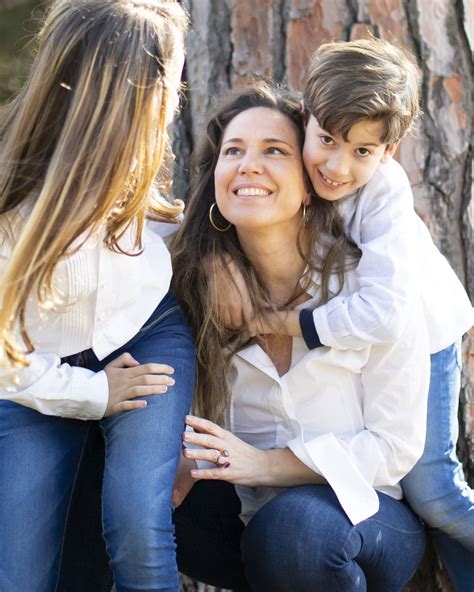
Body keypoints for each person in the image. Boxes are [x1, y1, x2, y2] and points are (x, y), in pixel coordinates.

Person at [211, 39, 474, 590]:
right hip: (376, 319)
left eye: (361, 151)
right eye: (326, 141)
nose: (335, 166)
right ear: (306, 118)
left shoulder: (383, 194)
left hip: (421, 329)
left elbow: (383, 313)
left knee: (437, 494)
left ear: (390, 150)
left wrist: (291, 325)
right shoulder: (285, 171)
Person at [171, 81, 430, 592]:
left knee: (296, 533)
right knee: (123, 487)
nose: (248, 165)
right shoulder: (191, 287)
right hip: (248, 525)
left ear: (312, 181)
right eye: (233, 151)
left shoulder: (369, 292)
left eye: (274, 151)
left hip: (366, 513)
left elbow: (395, 446)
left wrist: (267, 466)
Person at [0, 2, 195, 591]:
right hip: (33, 372)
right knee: (18, 575)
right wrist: (92, 392)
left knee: (138, 521)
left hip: (146, 329)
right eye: (174, 76)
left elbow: (164, 239)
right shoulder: (15, 201)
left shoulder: (140, 162)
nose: (182, 92)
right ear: (136, 93)